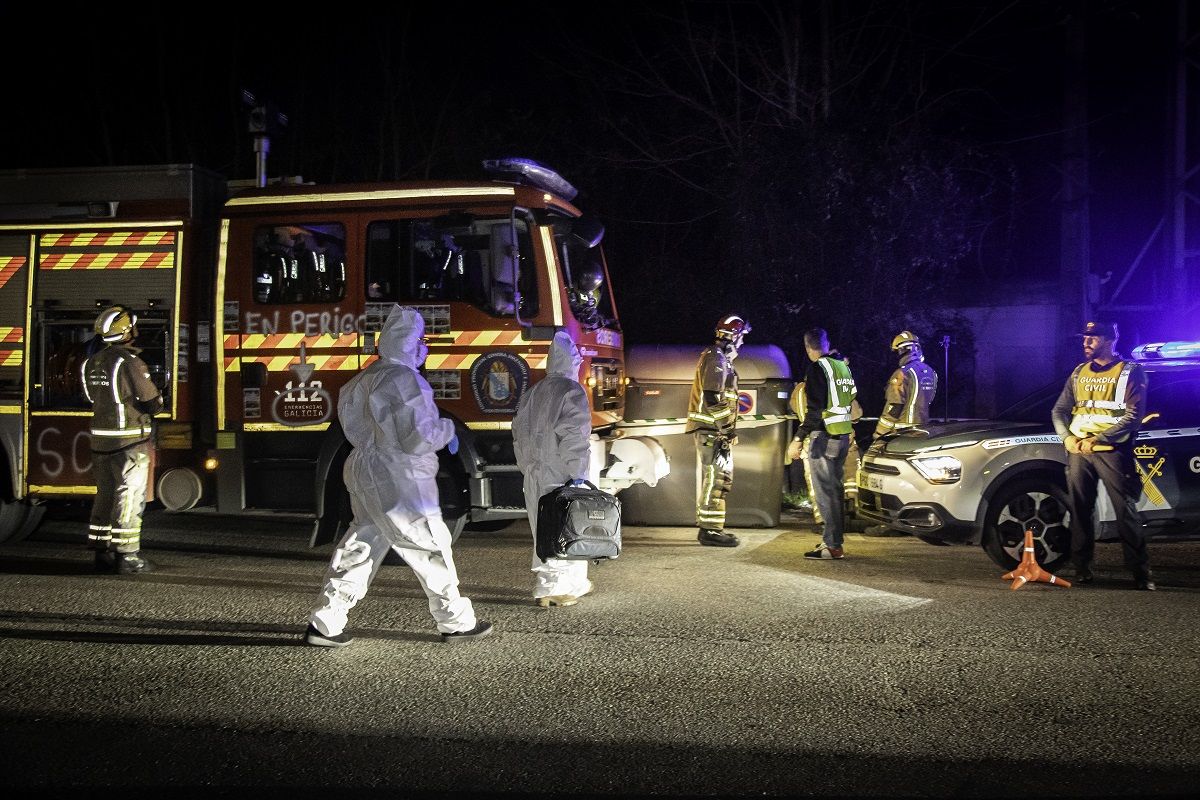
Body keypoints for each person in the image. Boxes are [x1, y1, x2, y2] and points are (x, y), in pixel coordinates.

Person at [305, 305, 493, 646]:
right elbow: (417, 437)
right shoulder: (406, 381)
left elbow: (354, 427)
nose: (424, 347)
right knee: (431, 544)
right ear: (407, 343)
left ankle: (326, 621)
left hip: (363, 467)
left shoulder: (361, 380)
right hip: (399, 474)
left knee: (362, 543)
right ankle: (456, 621)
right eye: (419, 340)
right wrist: (447, 431)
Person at [1050, 320, 1154, 590]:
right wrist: (1068, 438)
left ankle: (1141, 574)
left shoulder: (1130, 371)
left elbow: (1133, 416)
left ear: (1109, 340)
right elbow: (1059, 410)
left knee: (1125, 511)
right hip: (1079, 451)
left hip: (1112, 451)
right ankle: (1082, 569)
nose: (1086, 342)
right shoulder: (1078, 373)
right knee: (1080, 510)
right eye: (1085, 337)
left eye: (1093, 338)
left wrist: (1099, 438)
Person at [512, 331, 595, 607]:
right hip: (561, 472)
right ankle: (560, 589)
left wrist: (526, 466)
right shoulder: (571, 391)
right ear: (571, 362)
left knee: (543, 528)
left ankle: (550, 585)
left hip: (536, 473)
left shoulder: (534, 392)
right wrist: (579, 472)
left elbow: (519, 433)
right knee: (567, 528)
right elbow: (573, 435)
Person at [81, 305, 163, 574]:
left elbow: (92, 398)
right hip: (128, 443)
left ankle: (100, 551)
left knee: (105, 496)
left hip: (100, 442)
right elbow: (151, 402)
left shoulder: (92, 362)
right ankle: (127, 556)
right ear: (126, 331)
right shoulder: (130, 362)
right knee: (129, 498)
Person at [788, 327, 857, 560]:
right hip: (843, 436)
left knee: (824, 494)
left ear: (808, 348)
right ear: (827, 343)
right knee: (834, 492)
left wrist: (798, 438)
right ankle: (834, 542)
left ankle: (832, 545)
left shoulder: (817, 368)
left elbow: (815, 410)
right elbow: (851, 398)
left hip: (823, 437)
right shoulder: (842, 367)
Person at [864, 330, 938, 537]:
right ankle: (914, 522)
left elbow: (893, 407)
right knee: (914, 481)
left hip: (900, 434)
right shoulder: (930, 372)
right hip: (923, 432)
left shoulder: (902, 374)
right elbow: (929, 401)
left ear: (901, 351)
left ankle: (890, 524)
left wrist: (879, 432)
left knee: (889, 479)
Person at [686, 314, 751, 547]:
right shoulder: (716, 359)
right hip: (712, 431)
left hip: (715, 431)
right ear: (733, 337)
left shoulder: (720, 359)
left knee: (720, 478)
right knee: (716, 478)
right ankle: (710, 532)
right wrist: (727, 429)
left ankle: (712, 528)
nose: (742, 343)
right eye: (741, 337)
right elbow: (713, 397)